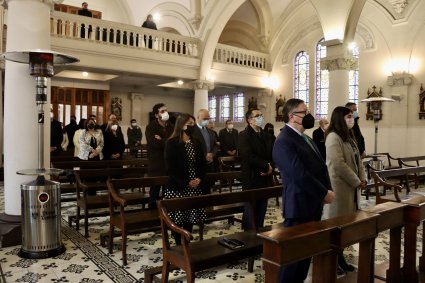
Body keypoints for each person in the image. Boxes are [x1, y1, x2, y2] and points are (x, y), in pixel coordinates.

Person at [272, 98, 334, 283]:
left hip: (312, 203)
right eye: (304, 112)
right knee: (292, 261)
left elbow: (321, 167)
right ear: (292, 116)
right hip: (298, 206)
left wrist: (326, 189)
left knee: (305, 257)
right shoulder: (283, 141)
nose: (309, 116)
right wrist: (323, 193)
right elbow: (299, 175)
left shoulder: (305, 137)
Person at [323, 106, 367, 274]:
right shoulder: (333, 137)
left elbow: (358, 160)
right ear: (340, 119)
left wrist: (362, 178)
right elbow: (338, 164)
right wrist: (356, 181)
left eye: (352, 116)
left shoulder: (348, 137)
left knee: (345, 227)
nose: (352, 119)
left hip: (351, 188)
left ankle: (340, 259)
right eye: (348, 116)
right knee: (336, 226)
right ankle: (332, 260)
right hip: (340, 189)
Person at [164, 113, 206, 245]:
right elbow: (171, 168)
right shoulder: (172, 143)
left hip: (194, 187)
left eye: (193, 124)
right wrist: (186, 182)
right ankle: (178, 246)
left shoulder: (196, 142)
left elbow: (202, 164)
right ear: (182, 126)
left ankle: (186, 244)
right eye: (190, 124)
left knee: (190, 218)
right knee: (178, 219)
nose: (193, 127)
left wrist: (199, 179)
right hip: (178, 187)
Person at [238, 109, 274, 230]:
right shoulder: (244, 135)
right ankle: (248, 238)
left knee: (261, 211)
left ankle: (259, 236)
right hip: (252, 178)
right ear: (249, 120)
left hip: (265, 178)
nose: (260, 118)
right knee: (251, 213)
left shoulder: (266, 135)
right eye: (257, 116)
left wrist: (271, 166)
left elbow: (273, 153)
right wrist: (266, 166)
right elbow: (248, 156)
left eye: (261, 115)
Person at [145, 103, 174, 209]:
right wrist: (168, 141)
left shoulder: (171, 126)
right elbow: (155, 144)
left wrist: (162, 140)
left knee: (168, 193)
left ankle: (167, 216)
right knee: (154, 194)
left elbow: (175, 142)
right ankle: (151, 216)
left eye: (166, 110)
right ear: (157, 115)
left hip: (169, 164)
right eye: (162, 111)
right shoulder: (151, 127)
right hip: (156, 165)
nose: (166, 112)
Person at [192, 109, 218, 194]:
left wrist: (212, 154)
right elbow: (192, 147)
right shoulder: (192, 131)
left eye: (208, 118)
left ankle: (208, 206)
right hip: (198, 165)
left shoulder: (211, 132)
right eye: (204, 118)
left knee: (208, 189)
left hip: (209, 165)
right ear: (198, 118)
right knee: (198, 191)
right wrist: (204, 155)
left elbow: (215, 145)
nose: (207, 120)